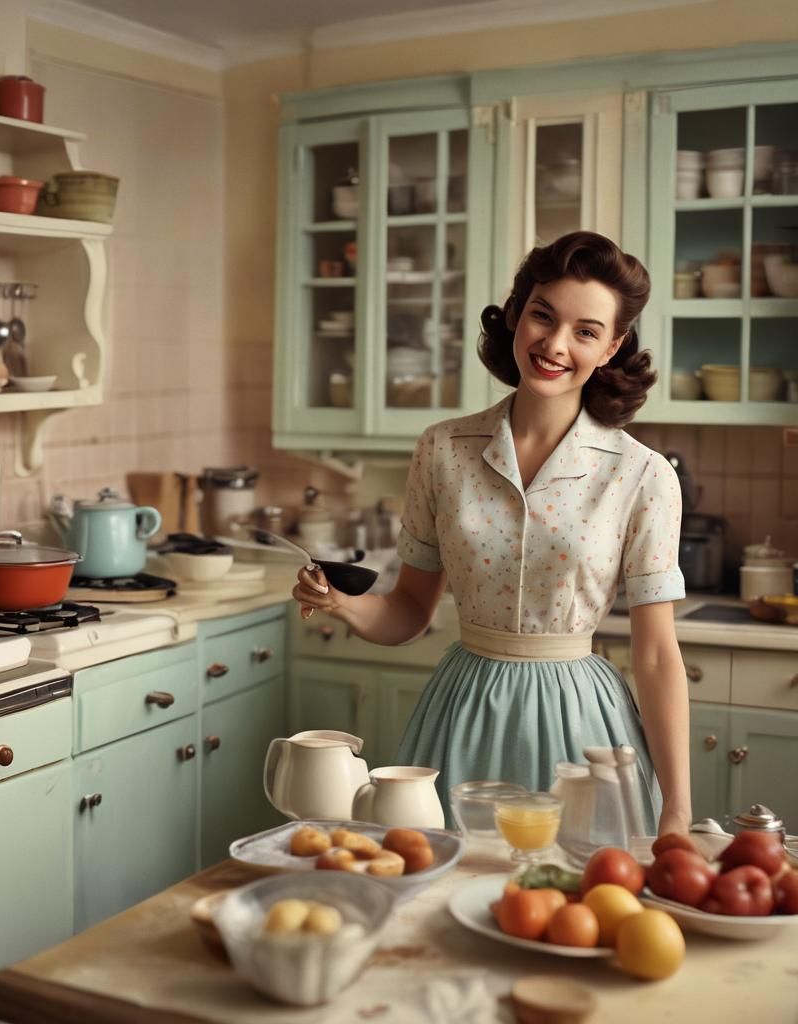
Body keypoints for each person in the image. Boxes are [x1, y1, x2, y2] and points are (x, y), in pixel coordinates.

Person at [292, 231, 691, 838]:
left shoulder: (641, 475)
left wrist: (678, 810)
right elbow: (408, 611)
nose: (555, 345)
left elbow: (658, 654)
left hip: (581, 726)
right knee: (439, 896)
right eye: (542, 316)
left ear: (611, 347)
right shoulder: (443, 450)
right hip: (463, 710)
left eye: (585, 331)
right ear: (515, 314)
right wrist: (340, 603)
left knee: (573, 906)